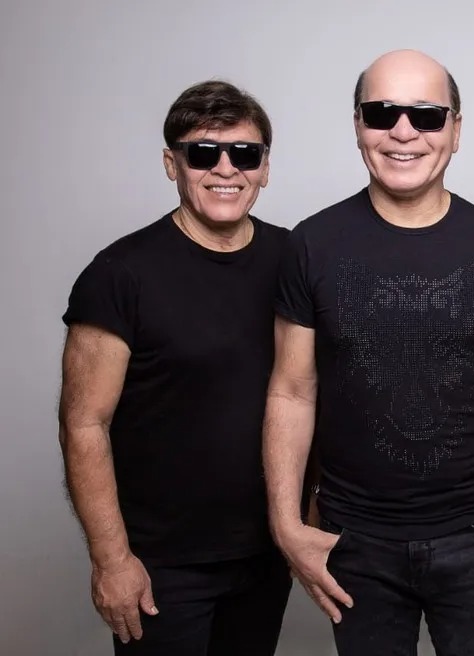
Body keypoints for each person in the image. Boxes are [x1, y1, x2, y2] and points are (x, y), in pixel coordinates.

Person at [262, 49, 474, 656]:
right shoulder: (311, 244)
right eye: (381, 113)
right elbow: (291, 392)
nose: (403, 132)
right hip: (354, 543)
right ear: (357, 125)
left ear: (455, 129)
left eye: (426, 115)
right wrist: (286, 525)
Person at [58, 80, 292, 655]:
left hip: (266, 554)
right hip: (160, 565)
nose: (226, 169)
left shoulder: (294, 260)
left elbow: (313, 394)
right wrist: (112, 560)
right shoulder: (119, 274)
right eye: (203, 153)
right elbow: (83, 423)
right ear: (172, 164)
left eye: (244, 153)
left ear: (264, 168)